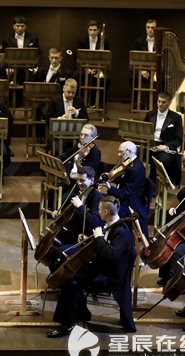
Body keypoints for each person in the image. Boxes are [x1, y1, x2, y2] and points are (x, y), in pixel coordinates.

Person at [47, 196, 136, 337]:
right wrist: (90, 240)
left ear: (106, 212)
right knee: (71, 276)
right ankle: (79, 313)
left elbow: (109, 254)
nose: (98, 211)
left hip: (111, 276)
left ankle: (67, 325)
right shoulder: (112, 225)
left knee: (71, 281)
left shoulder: (122, 232)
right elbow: (104, 247)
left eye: (99, 209)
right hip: (103, 268)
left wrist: (99, 238)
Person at [47, 166, 104, 271]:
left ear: (92, 180)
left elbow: (95, 222)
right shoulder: (78, 191)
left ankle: (62, 278)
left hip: (85, 239)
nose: (78, 183)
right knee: (51, 250)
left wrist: (80, 207)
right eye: (77, 180)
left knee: (60, 252)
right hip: (72, 234)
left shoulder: (97, 198)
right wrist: (59, 214)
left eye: (82, 180)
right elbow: (68, 212)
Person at [101, 141, 149, 238]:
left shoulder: (135, 169)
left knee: (108, 212)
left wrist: (109, 187)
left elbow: (125, 194)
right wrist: (110, 177)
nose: (119, 155)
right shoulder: (130, 163)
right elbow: (123, 179)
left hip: (131, 203)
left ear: (129, 152)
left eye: (121, 152)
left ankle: (112, 238)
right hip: (128, 198)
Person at [144, 91, 183, 186]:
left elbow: (178, 139)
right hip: (151, 144)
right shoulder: (150, 114)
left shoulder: (176, 117)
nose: (160, 104)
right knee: (133, 153)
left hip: (165, 146)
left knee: (162, 159)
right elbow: (143, 131)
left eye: (163, 102)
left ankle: (155, 185)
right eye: (159, 101)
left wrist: (166, 146)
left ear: (169, 102)